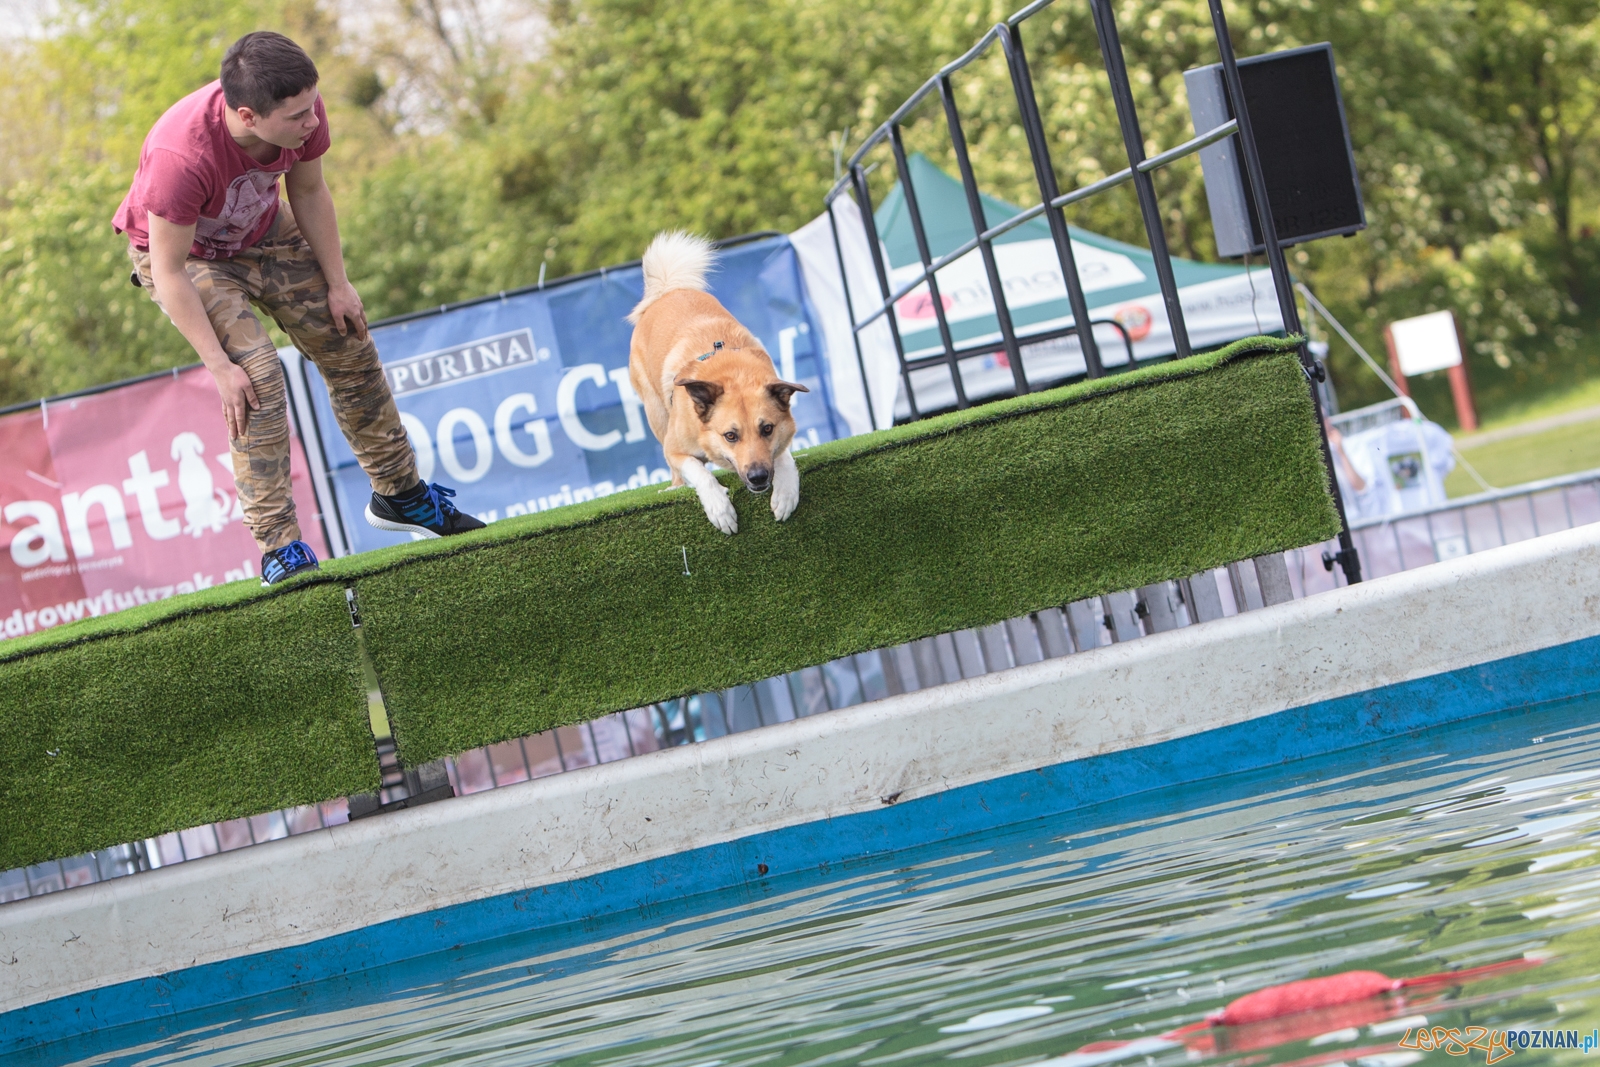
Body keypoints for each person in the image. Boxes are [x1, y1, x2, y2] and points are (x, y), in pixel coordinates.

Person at [113, 31, 483, 586]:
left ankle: (400, 495)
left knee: (348, 336)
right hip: (189, 261)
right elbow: (167, 271)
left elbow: (308, 192)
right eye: (296, 117)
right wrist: (220, 367)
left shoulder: (301, 109)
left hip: (263, 231)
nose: (312, 121)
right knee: (257, 378)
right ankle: (279, 548)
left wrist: (339, 283)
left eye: (313, 106)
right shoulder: (181, 155)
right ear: (248, 116)